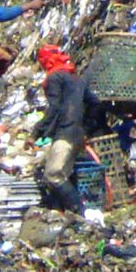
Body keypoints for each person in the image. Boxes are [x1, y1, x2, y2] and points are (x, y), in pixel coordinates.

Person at [34, 45, 100, 218]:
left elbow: (54, 108)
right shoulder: (75, 79)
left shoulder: (54, 78)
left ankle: (79, 211)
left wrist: (37, 132)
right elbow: (95, 102)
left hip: (65, 134)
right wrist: (87, 126)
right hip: (78, 134)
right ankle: (62, 211)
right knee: (65, 174)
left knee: (53, 174)